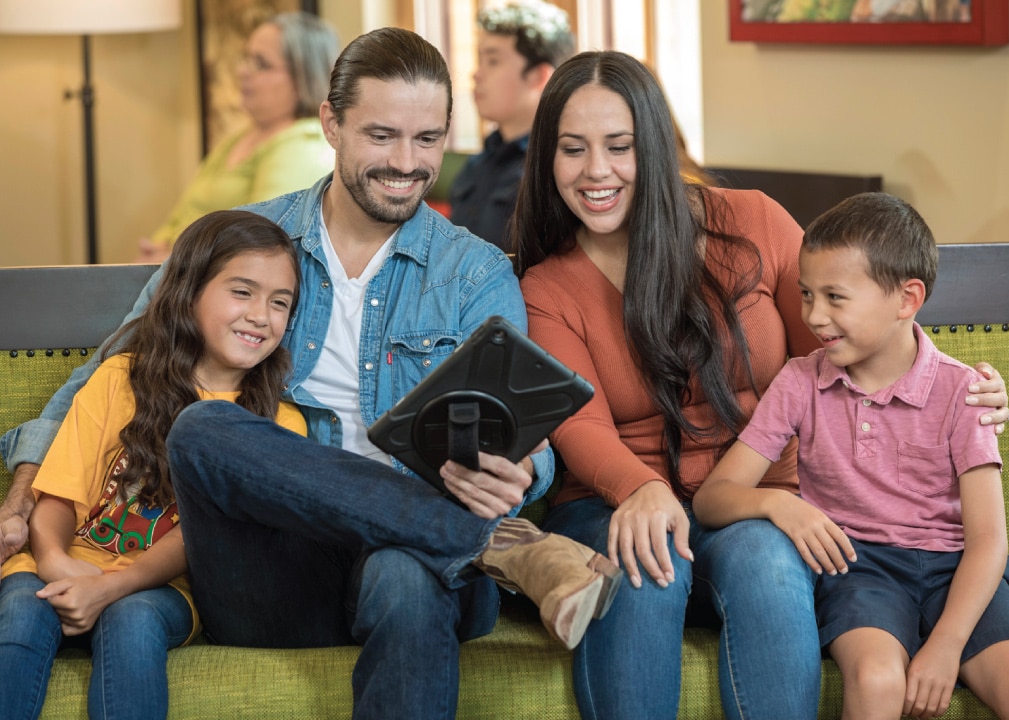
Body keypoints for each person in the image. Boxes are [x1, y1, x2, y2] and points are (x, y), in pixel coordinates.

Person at [0, 28, 620, 720]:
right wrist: (26, 491)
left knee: (403, 569)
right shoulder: (243, 242)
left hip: (420, 566)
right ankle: (501, 547)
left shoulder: (475, 272)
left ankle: (478, 538)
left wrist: (521, 473)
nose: (407, 165)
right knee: (204, 425)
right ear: (331, 122)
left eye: (428, 140)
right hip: (271, 571)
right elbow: (108, 372)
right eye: (382, 136)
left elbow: (521, 439)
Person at [511, 51, 1009, 720]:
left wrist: (958, 388)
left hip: (756, 499)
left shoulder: (751, 222)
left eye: (619, 146)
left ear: (655, 146)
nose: (596, 170)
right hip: (613, 503)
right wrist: (645, 490)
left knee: (771, 568)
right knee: (647, 567)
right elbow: (582, 426)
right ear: (549, 158)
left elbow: (852, 342)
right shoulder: (547, 287)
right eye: (573, 149)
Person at [692, 192, 1009, 720]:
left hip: (958, 570)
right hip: (859, 570)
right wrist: (782, 506)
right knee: (876, 680)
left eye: (835, 297)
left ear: (906, 299)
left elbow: (988, 543)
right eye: (805, 294)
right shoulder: (800, 381)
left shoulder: (966, 391)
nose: (814, 316)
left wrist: (944, 647)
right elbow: (712, 500)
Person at [0, 209, 309, 720]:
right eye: (242, 292)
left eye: (280, 303)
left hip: (168, 589)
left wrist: (109, 586)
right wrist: (54, 561)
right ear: (189, 292)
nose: (262, 315)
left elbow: (199, 540)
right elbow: (58, 494)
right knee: (19, 609)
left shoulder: (279, 423)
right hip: (62, 558)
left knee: (132, 621)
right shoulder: (121, 377)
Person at [136, 11, 339, 262]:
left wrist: (173, 257)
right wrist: (158, 246)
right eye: (246, 59)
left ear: (303, 77)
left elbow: (258, 238)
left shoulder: (303, 145)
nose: (243, 71)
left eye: (261, 64)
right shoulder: (238, 138)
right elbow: (183, 213)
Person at [448, 0, 575, 251]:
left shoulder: (557, 168)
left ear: (540, 76)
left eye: (493, 61)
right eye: (479, 59)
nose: (476, 74)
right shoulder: (478, 164)